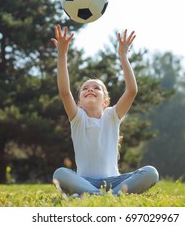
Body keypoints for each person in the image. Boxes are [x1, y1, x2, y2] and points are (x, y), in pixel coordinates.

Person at [50, 24, 159, 196]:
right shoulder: (78, 118)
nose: (90, 90)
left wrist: (123, 56)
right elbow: (64, 92)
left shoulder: (112, 116)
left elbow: (131, 91)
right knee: (60, 174)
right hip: (84, 181)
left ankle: (92, 196)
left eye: (96, 88)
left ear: (106, 101)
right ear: (78, 103)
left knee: (151, 172)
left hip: (114, 181)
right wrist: (62, 54)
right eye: (85, 89)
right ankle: (109, 196)